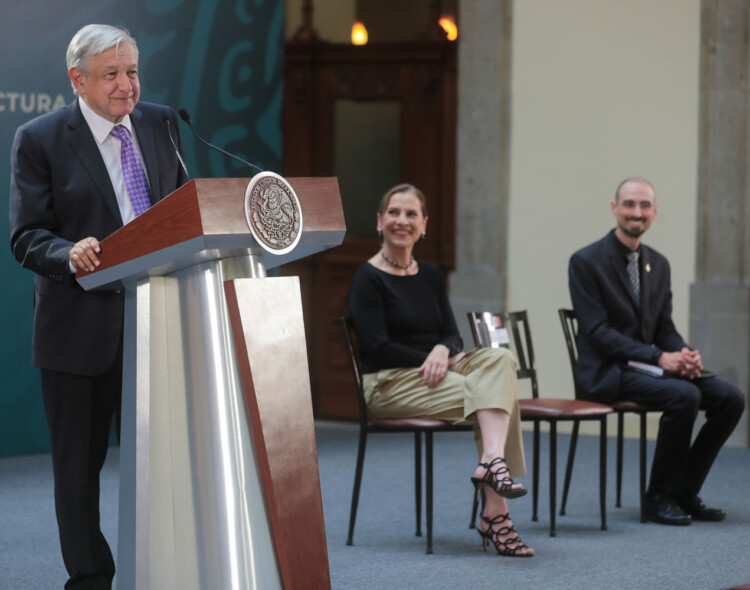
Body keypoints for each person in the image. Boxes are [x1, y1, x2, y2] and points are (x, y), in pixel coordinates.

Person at [9, 24, 188, 588]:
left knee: (165, 466)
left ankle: (164, 569)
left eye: (132, 71)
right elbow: (27, 236)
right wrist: (69, 252)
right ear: (77, 79)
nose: (125, 85)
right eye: (111, 74)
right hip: (79, 331)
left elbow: (185, 211)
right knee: (79, 474)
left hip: (158, 324)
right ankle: (90, 578)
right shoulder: (39, 138)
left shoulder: (161, 123)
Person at [347, 183, 533, 557]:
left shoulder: (431, 275)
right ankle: (497, 514)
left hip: (439, 372)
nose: (403, 220)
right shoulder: (367, 278)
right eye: (394, 213)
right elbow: (376, 348)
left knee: (501, 360)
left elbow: (451, 334)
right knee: (494, 395)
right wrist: (429, 358)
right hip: (390, 383)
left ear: (424, 224)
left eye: (411, 213)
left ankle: (491, 464)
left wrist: (442, 349)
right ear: (380, 221)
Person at [568, 177, 745, 526]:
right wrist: (660, 358)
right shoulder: (586, 261)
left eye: (645, 206)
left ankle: (682, 491)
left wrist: (684, 353)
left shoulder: (658, 264)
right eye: (630, 204)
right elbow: (598, 333)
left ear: (655, 212)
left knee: (730, 398)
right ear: (614, 208)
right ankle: (658, 498)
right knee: (684, 396)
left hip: (649, 368)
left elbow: (663, 327)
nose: (637, 212)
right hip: (607, 372)